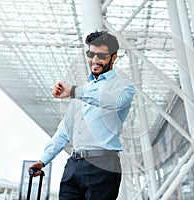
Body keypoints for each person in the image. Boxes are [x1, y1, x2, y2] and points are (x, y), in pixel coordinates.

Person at [29, 31, 135, 200]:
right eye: (91, 54)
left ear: (114, 57)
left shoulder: (123, 86)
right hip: (74, 165)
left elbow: (110, 101)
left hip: (103, 165)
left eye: (101, 55)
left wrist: (73, 91)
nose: (95, 60)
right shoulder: (81, 91)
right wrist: (43, 160)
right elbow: (65, 131)